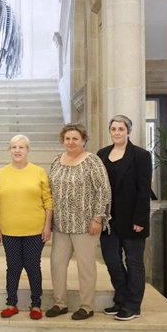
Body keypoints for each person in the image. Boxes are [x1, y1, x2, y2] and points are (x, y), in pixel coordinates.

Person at [46, 123, 111, 320]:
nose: (71, 142)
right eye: (68, 138)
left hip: (85, 224)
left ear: (83, 140)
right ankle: (60, 303)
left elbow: (103, 190)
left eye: (75, 138)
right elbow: (49, 190)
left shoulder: (93, 161)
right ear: (63, 140)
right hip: (61, 224)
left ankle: (87, 305)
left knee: (86, 266)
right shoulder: (57, 160)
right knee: (57, 263)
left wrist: (98, 217)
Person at [0, 135, 53, 320]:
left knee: (33, 266)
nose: (17, 150)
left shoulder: (38, 172)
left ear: (28, 150)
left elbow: (48, 201)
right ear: (9, 150)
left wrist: (47, 226)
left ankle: (36, 304)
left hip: (35, 229)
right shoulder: (1, 173)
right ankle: (11, 303)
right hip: (9, 230)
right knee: (13, 267)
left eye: (21, 147)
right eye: (14, 147)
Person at [97, 114, 152, 321]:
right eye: (113, 129)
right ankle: (121, 298)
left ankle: (133, 305)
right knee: (112, 261)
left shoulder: (141, 155)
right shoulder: (102, 154)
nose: (117, 132)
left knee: (134, 262)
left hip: (132, 219)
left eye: (121, 129)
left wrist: (140, 219)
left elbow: (144, 188)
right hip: (108, 220)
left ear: (128, 131)